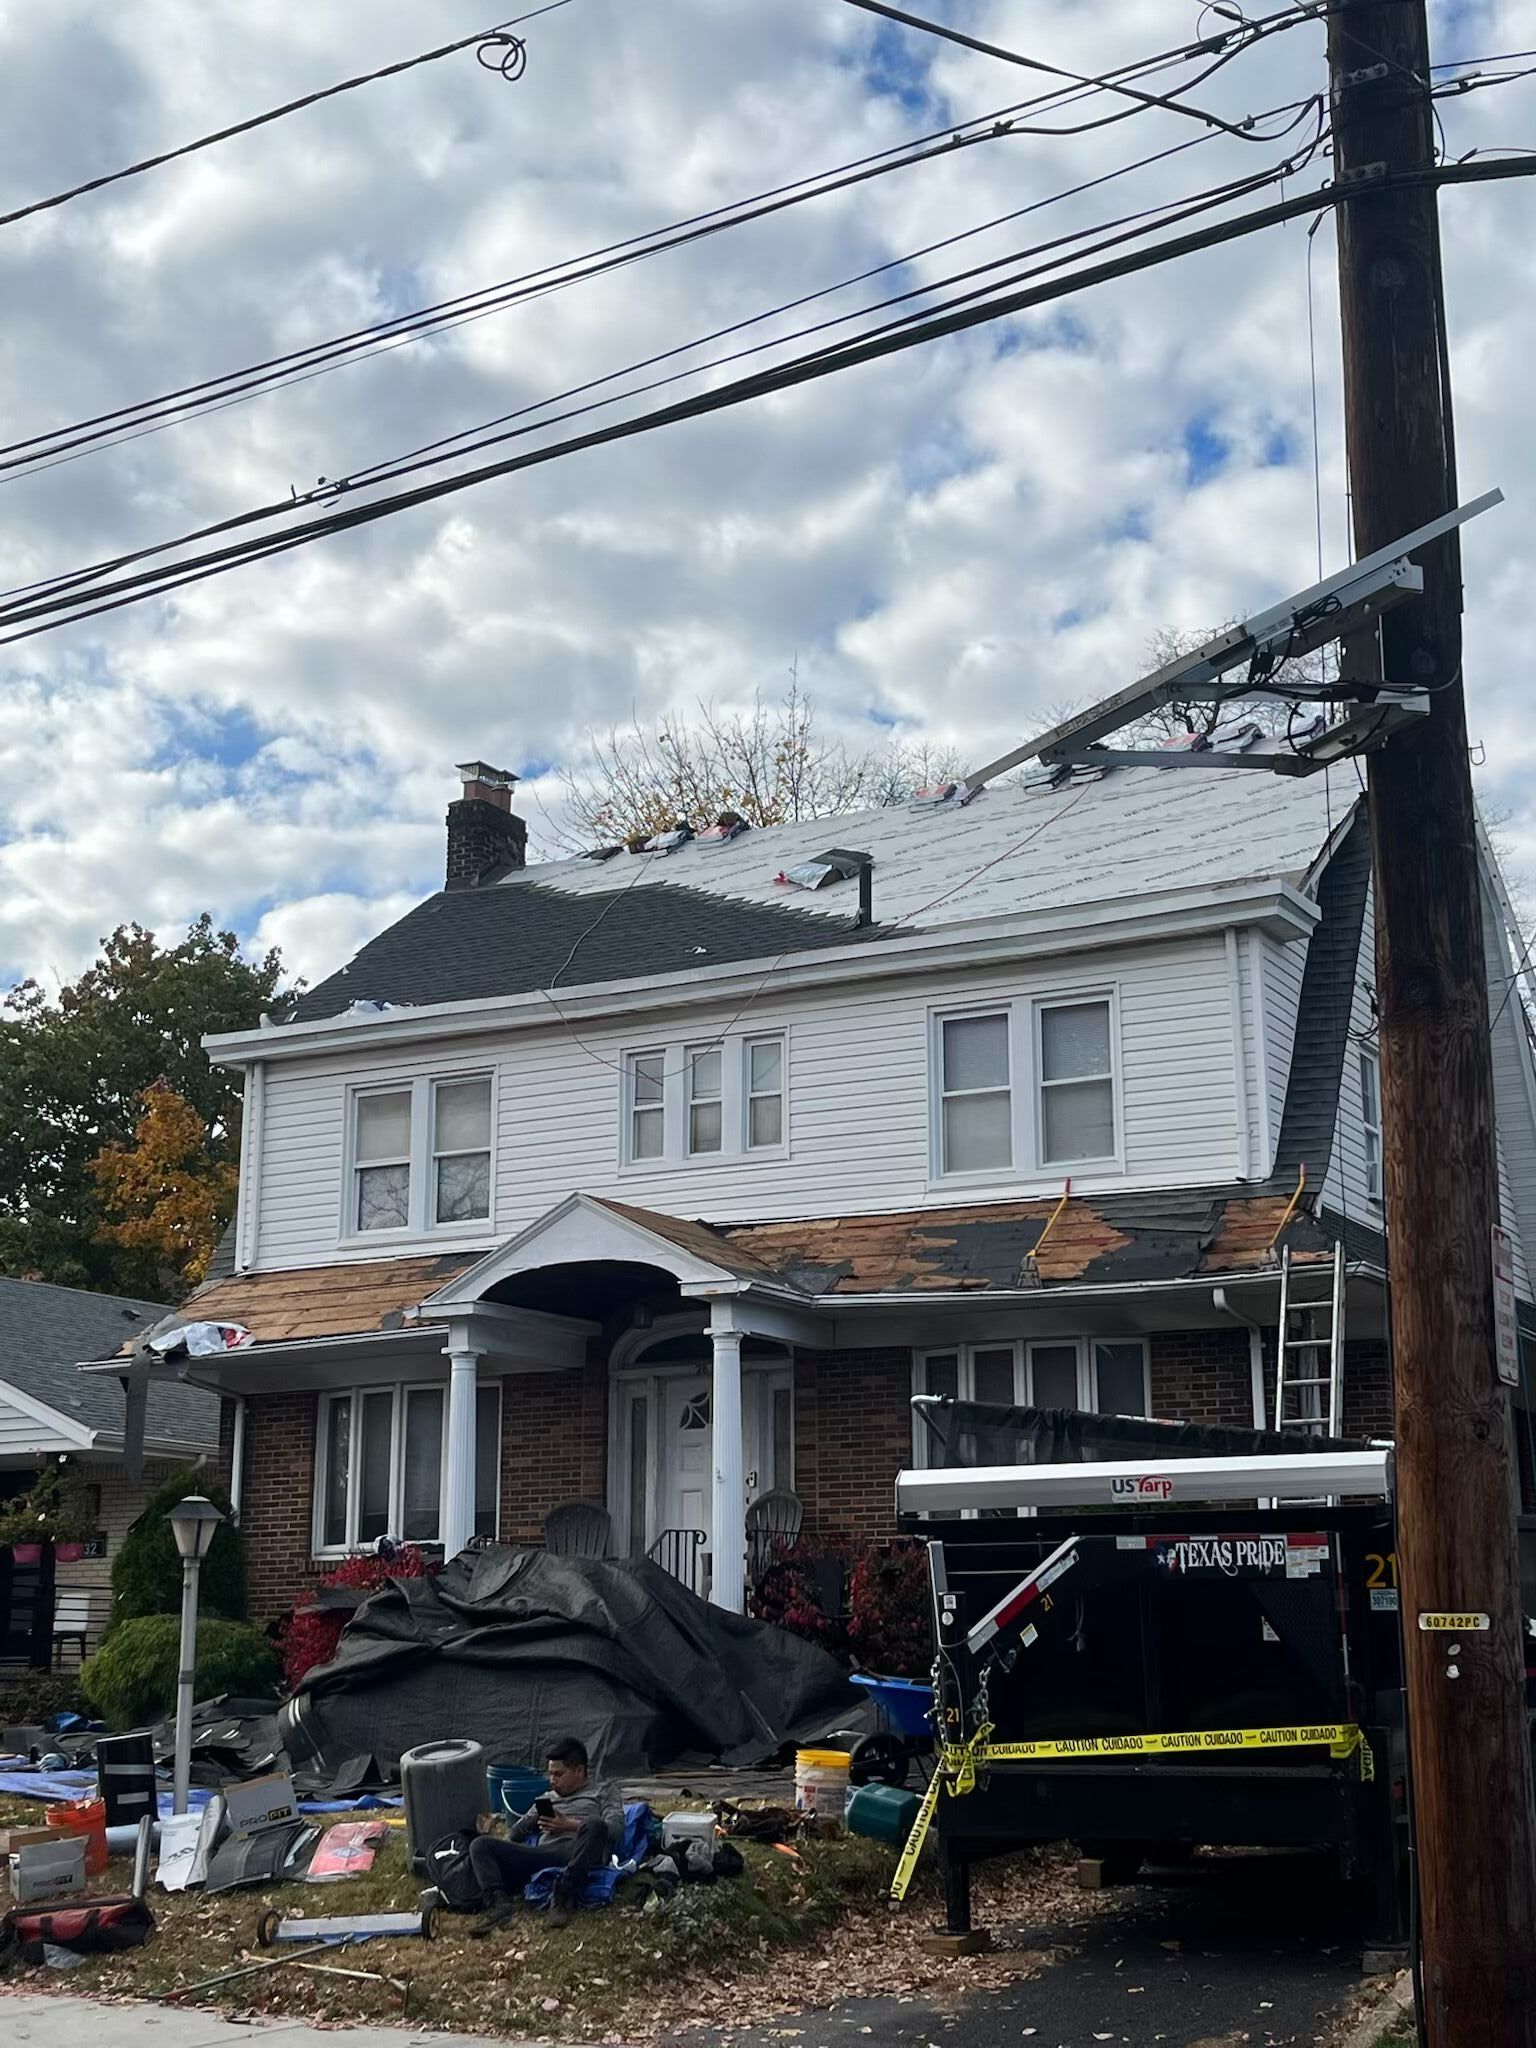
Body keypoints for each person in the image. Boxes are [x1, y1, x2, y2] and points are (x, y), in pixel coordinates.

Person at [468, 1737, 625, 1933]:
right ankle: (499, 1903)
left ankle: (565, 1892)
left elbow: (616, 1829)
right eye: (550, 1774)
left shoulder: (603, 1791)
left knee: (594, 1824)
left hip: (579, 1850)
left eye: (559, 1774)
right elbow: (515, 1833)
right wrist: (532, 1820)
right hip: (544, 1852)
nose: (552, 1781)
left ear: (579, 1770)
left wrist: (569, 1825)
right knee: (480, 1845)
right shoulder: (547, 1797)